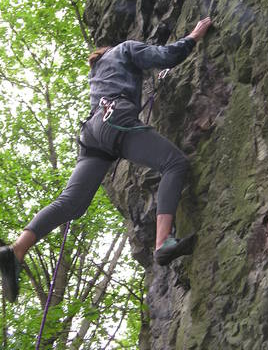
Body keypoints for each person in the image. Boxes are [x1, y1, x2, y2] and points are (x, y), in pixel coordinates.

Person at [0, 17, 212, 303]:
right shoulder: (125, 49)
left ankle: (16, 250)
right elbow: (164, 56)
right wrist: (193, 36)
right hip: (116, 121)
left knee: (71, 203)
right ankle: (163, 242)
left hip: (92, 134)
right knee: (174, 164)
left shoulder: (98, 70)